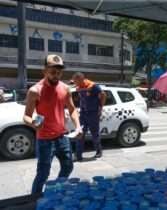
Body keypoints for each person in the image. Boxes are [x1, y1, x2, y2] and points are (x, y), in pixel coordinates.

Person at [23, 54, 82, 194]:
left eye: (59, 72)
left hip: (62, 136)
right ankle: (35, 199)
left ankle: (57, 189)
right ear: (44, 71)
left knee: (68, 166)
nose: (57, 75)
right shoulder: (35, 91)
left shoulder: (65, 88)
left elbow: (72, 109)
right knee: (43, 174)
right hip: (44, 139)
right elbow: (26, 116)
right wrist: (34, 123)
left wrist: (78, 126)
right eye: (53, 71)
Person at [72, 72, 106, 161]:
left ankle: (99, 151)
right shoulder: (79, 87)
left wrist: (100, 108)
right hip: (83, 113)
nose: (74, 83)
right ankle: (78, 155)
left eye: (75, 81)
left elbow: (103, 95)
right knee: (80, 133)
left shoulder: (93, 86)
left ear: (80, 79)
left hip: (93, 114)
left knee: (95, 134)